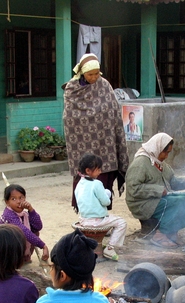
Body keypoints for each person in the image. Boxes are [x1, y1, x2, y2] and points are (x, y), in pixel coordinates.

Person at [63, 53, 129, 213]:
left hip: (104, 143)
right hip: (81, 144)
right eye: (90, 74)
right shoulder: (72, 89)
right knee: (84, 177)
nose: (94, 77)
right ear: (82, 73)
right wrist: (87, 119)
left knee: (103, 177)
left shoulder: (105, 85)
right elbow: (69, 117)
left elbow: (113, 110)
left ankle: (103, 214)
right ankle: (85, 213)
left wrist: (102, 121)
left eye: (96, 74)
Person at [125, 132, 185, 248]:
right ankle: (159, 235)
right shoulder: (140, 163)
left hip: (155, 198)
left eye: (168, 152)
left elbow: (173, 182)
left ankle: (172, 233)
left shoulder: (161, 164)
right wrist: (157, 190)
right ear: (157, 148)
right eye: (165, 152)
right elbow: (133, 189)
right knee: (177, 202)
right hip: (141, 203)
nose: (166, 156)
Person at [75, 153, 128, 261]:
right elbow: (106, 202)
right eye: (98, 169)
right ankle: (110, 247)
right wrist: (107, 193)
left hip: (84, 220)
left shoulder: (79, 184)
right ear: (88, 171)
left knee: (110, 221)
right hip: (97, 221)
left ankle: (97, 247)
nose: (100, 172)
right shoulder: (97, 184)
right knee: (121, 222)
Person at [0, 184, 49, 263]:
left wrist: (31, 210)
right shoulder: (8, 214)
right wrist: (43, 246)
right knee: (23, 235)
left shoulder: (24, 214)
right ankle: (13, 262)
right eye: (13, 199)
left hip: (14, 241)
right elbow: (23, 231)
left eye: (21, 197)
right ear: (7, 202)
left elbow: (38, 227)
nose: (18, 202)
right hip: (2, 245)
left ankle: (23, 258)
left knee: (34, 232)